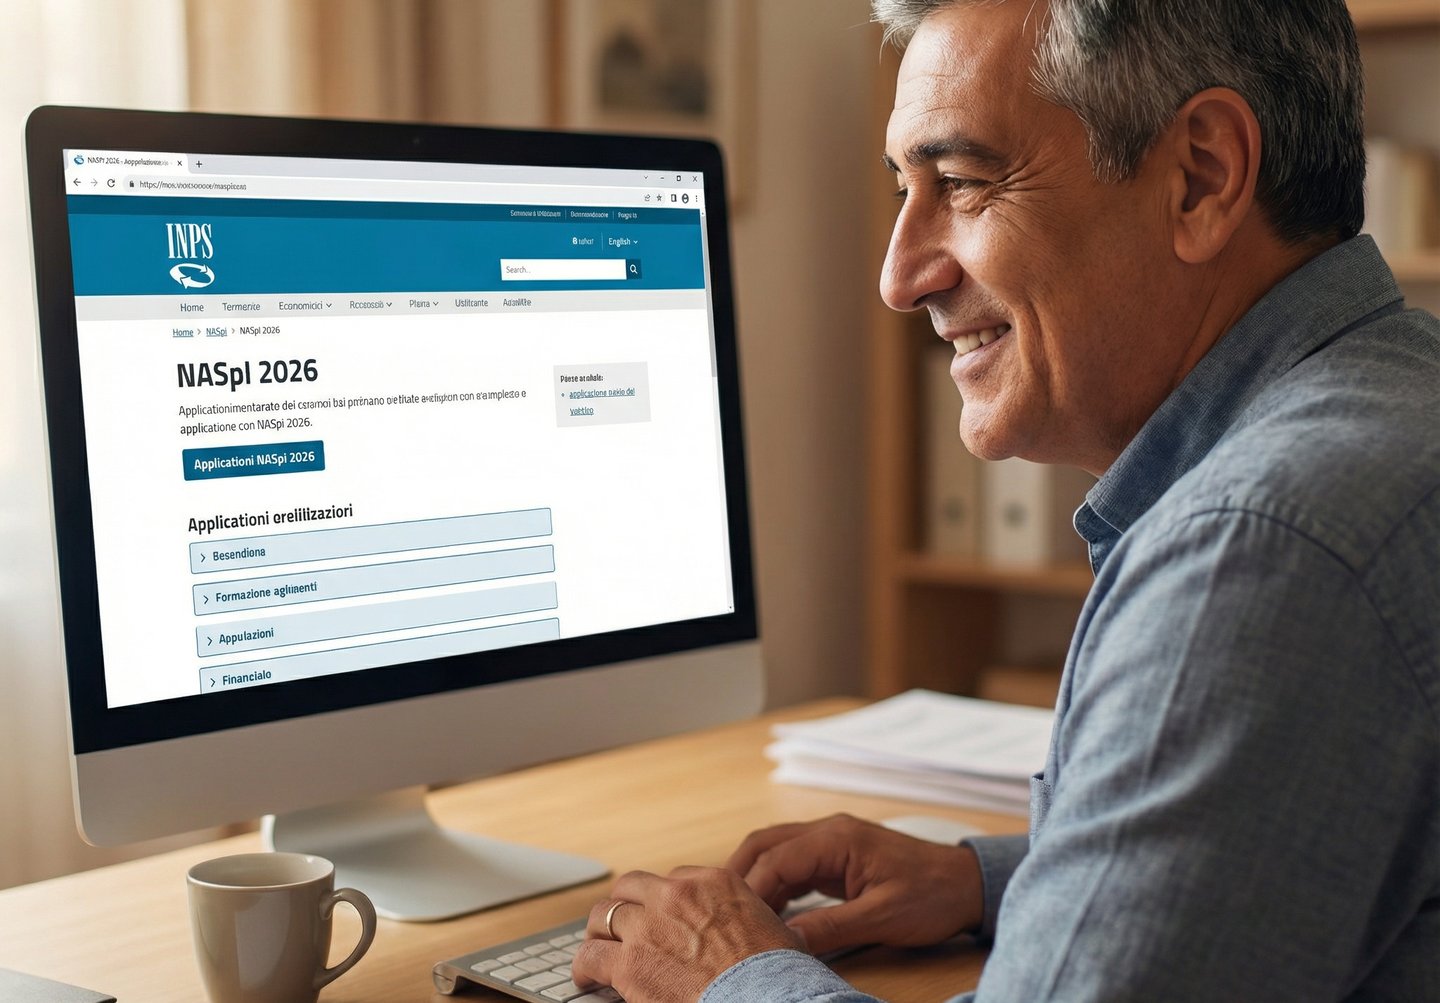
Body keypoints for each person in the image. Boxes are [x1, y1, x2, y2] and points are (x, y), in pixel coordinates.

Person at [570, 0, 1440, 999]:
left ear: (1201, 176)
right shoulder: (1400, 398)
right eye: (903, 188)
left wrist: (731, 972)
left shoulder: (1260, 552)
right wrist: (991, 878)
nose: (899, 276)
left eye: (962, 182)